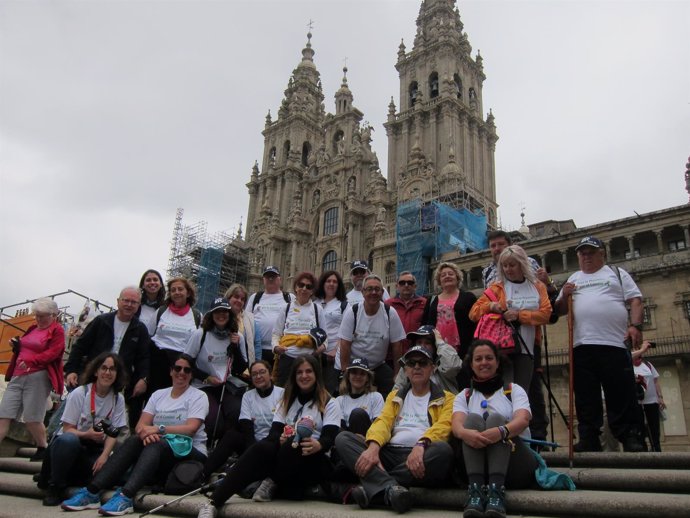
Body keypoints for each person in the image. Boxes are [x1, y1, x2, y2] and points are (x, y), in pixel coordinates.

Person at [61, 353, 209, 515]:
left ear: (191, 374)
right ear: (170, 371)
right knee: (134, 440)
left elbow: (191, 429)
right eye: (177, 368)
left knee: (155, 444)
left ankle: (126, 496)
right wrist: (147, 432)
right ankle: (92, 491)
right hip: (161, 447)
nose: (181, 373)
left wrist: (158, 429)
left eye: (187, 370)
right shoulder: (159, 395)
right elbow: (140, 426)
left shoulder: (198, 396)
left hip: (190, 450)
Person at [196, 355, 340, 518]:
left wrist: (318, 444)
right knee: (264, 446)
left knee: (295, 443)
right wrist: (279, 439)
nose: (304, 376)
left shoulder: (329, 402)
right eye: (299, 372)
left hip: (313, 461)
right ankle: (213, 502)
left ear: (317, 374)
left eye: (309, 371)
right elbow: (274, 433)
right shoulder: (286, 400)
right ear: (294, 376)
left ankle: (271, 480)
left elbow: (329, 438)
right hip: (286, 460)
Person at [334, 344, 455, 514]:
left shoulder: (447, 398)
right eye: (412, 363)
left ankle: (376, 487)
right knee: (343, 439)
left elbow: (443, 427)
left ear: (433, 368)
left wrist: (421, 445)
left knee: (443, 451)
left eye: (423, 363)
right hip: (389, 454)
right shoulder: (395, 395)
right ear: (405, 370)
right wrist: (374, 447)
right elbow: (383, 422)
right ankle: (391, 489)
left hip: (423, 455)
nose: (417, 367)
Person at [555, 236, 645, 452]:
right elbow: (559, 311)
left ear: (601, 253)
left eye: (591, 252)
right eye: (582, 253)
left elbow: (635, 300)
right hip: (581, 344)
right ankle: (589, 437)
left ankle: (630, 435)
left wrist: (635, 325)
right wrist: (564, 295)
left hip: (613, 342)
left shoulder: (617, 273)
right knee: (586, 395)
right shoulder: (573, 278)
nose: (586, 256)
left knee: (621, 392)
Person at [481, 230, 558, 446]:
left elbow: (544, 302)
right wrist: (494, 307)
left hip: (527, 338)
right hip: (499, 339)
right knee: (503, 387)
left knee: (530, 387)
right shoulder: (488, 271)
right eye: (493, 245)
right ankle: (506, 432)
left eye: (500, 245)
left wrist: (521, 315)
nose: (496, 249)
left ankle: (536, 434)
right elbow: (484, 303)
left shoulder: (529, 264)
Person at [451, 339, 537, 518]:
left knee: (497, 419)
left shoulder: (513, 390)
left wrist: (501, 432)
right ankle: (475, 491)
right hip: (478, 465)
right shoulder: (464, 396)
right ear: (471, 364)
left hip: (515, 463)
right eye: (479, 359)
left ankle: (496, 491)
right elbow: (457, 426)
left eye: (489, 358)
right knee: (472, 420)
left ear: (498, 362)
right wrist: (466, 434)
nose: (484, 363)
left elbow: (523, 419)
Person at [37, 352, 128, 506]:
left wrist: (105, 456)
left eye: (112, 369)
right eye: (103, 368)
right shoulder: (80, 393)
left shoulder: (118, 398)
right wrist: (87, 434)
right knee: (68, 441)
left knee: (117, 465)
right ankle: (55, 487)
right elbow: (68, 429)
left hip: (94, 448)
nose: (107, 373)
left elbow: (113, 432)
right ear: (95, 371)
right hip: (71, 443)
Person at [64, 286, 151, 428]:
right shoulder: (101, 321)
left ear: (138, 305)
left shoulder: (140, 329)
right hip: (93, 375)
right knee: (78, 409)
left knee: (114, 417)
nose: (129, 305)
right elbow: (80, 346)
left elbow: (144, 358)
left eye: (133, 302)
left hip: (120, 379)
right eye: (126, 300)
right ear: (118, 301)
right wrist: (71, 370)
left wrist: (144, 379)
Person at [469, 245, 552, 392]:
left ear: (522, 264)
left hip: (527, 348)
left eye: (512, 265)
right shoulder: (497, 288)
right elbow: (473, 312)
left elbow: (546, 314)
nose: (508, 269)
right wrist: (491, 306)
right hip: (502, 349)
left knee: (521, 392)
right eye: (505, 266)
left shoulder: (537, 286)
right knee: (504, 391)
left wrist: (519, 316)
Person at [0, 298, 65, 461]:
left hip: (38, 376)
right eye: (37, 316)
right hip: (18, 374)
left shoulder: (57, 330)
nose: (39, 319)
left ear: (53, 315)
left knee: (32, 418)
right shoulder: (31, 328)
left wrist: (32, 361)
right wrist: (16, 345)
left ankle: (43, 446)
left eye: (43, 316)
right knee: (4, 414)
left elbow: (54, 353)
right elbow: (24, 347)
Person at [202, 360, 285, 478]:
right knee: (232, 435)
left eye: (262, 372)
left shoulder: (281, 393)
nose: (259, 376)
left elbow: (277, 428)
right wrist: (252, 452)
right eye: (254, 374)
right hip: (252, 445)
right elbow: (246, 427)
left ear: (270, 374)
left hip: (273, 444)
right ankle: (203, 474)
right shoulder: (248, 396)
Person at [184, 297, 248, 444]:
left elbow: (240, 368)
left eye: (224, 312)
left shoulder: (238, 337)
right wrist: (207, 377)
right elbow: (186, 364)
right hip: (203, 385)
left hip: (227, 386)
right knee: (213, 420)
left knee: (236, 413)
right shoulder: (200, 334)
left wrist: (236, 347)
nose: (221, 315)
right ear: (211, 315)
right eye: (217, 312)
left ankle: (224, 450)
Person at [338, 274, 406, 397]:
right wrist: (345, 372)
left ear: (382, 292)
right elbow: (345, 344)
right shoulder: (352, 312)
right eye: (369, 289)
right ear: (363, 292)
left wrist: (397, 374)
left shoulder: (390, 312)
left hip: (378, 365)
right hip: (355, 365)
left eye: (377, 289)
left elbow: (397, 345)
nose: (373, 292)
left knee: (394, 391)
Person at [422, 262, 476, 390]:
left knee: (463, 385)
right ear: (439, 281)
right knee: (440, 386)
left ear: (457, 277)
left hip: (463, 351)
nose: (447, 276)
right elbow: (425, 324)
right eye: (443, 275)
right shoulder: (432, 300)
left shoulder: (468, 297)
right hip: (438, 351)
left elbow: (475, 323)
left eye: (451, 274)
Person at [271, 271, 326, 386]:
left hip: (310, 360)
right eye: (301, 285)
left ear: (312, 291)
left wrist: (318, 351)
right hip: (287, 358)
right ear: (296, 287)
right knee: (284, 394)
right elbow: (276, 334)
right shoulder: (286, 308)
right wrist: (276, 347)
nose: (304, 288)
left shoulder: (318, 309)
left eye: (308, 286)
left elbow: (325, 338)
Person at [149, 277, 201, 394]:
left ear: (188, 293)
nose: (177, 292)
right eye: (173, 290)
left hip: (182, 365)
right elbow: (150, 334)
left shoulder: (196, 316)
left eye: (180, 289)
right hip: (158, 363)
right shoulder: (161, 311)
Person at [393, 325, 463, 394]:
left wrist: (441, 343)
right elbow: (397, 389)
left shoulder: (443, 362)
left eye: (427, 343)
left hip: (445, 404)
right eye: (419, 342)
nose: (422, 346)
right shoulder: (409, 363)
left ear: (435, 345)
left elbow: (452, 367)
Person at [246, 266, 293, 364]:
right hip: (258, 349)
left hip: (282, 349)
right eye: (268, 277)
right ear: (263, 279)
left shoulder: (289, 298)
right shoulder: (255, 297)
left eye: (273, 276)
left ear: (280, 279)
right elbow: (246, 322)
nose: (270, 279)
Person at [314, 270, 349, 394]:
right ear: (323, 283)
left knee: (328, 390)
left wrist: (336, 350)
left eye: (335, 282)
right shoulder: (314, 303)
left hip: (332, 356)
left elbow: (346, 331)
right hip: (315, 354)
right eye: (328, 281)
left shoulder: (344, 305)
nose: (331, 284)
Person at [336, 358, 384, 436]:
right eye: (354, 373)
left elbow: (379, 425)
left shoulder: (376, 397)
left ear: (368, 378)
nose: (358, 376)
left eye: (362, 374)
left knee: (357, 414)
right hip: (346, 439)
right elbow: (339, 427)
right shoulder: (339, 400)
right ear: (348, 376)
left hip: (368, 440)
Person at [632, 341, 665, 452]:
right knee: (639, 427)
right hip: (636, 403)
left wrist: (660, 397)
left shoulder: (648, 365)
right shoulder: (628, 367)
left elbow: (656, 381)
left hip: (651, 401)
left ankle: (656, 447)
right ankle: (643, 449)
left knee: (654, 427)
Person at [385, 271, 427, 356]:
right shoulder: (387, 305)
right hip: (393, 354)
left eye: (410, 283)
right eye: (402, 283)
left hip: (417, 353)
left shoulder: (424, 303)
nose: (406, 285)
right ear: (397, 286)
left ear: (415, 286)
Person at [224, 283, 258, 366]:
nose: (239, 301)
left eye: (242, 299)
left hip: (239, 364)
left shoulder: (250, 318)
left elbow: (257, 344)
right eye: (236, 297)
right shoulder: (218, 316)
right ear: (228, 297)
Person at [137, 269, 166, 335]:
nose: (152, 282)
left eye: (155, 280)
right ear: (143, 285)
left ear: (161, 284)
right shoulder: (136, 305)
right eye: (148, 280)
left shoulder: (165, 308)